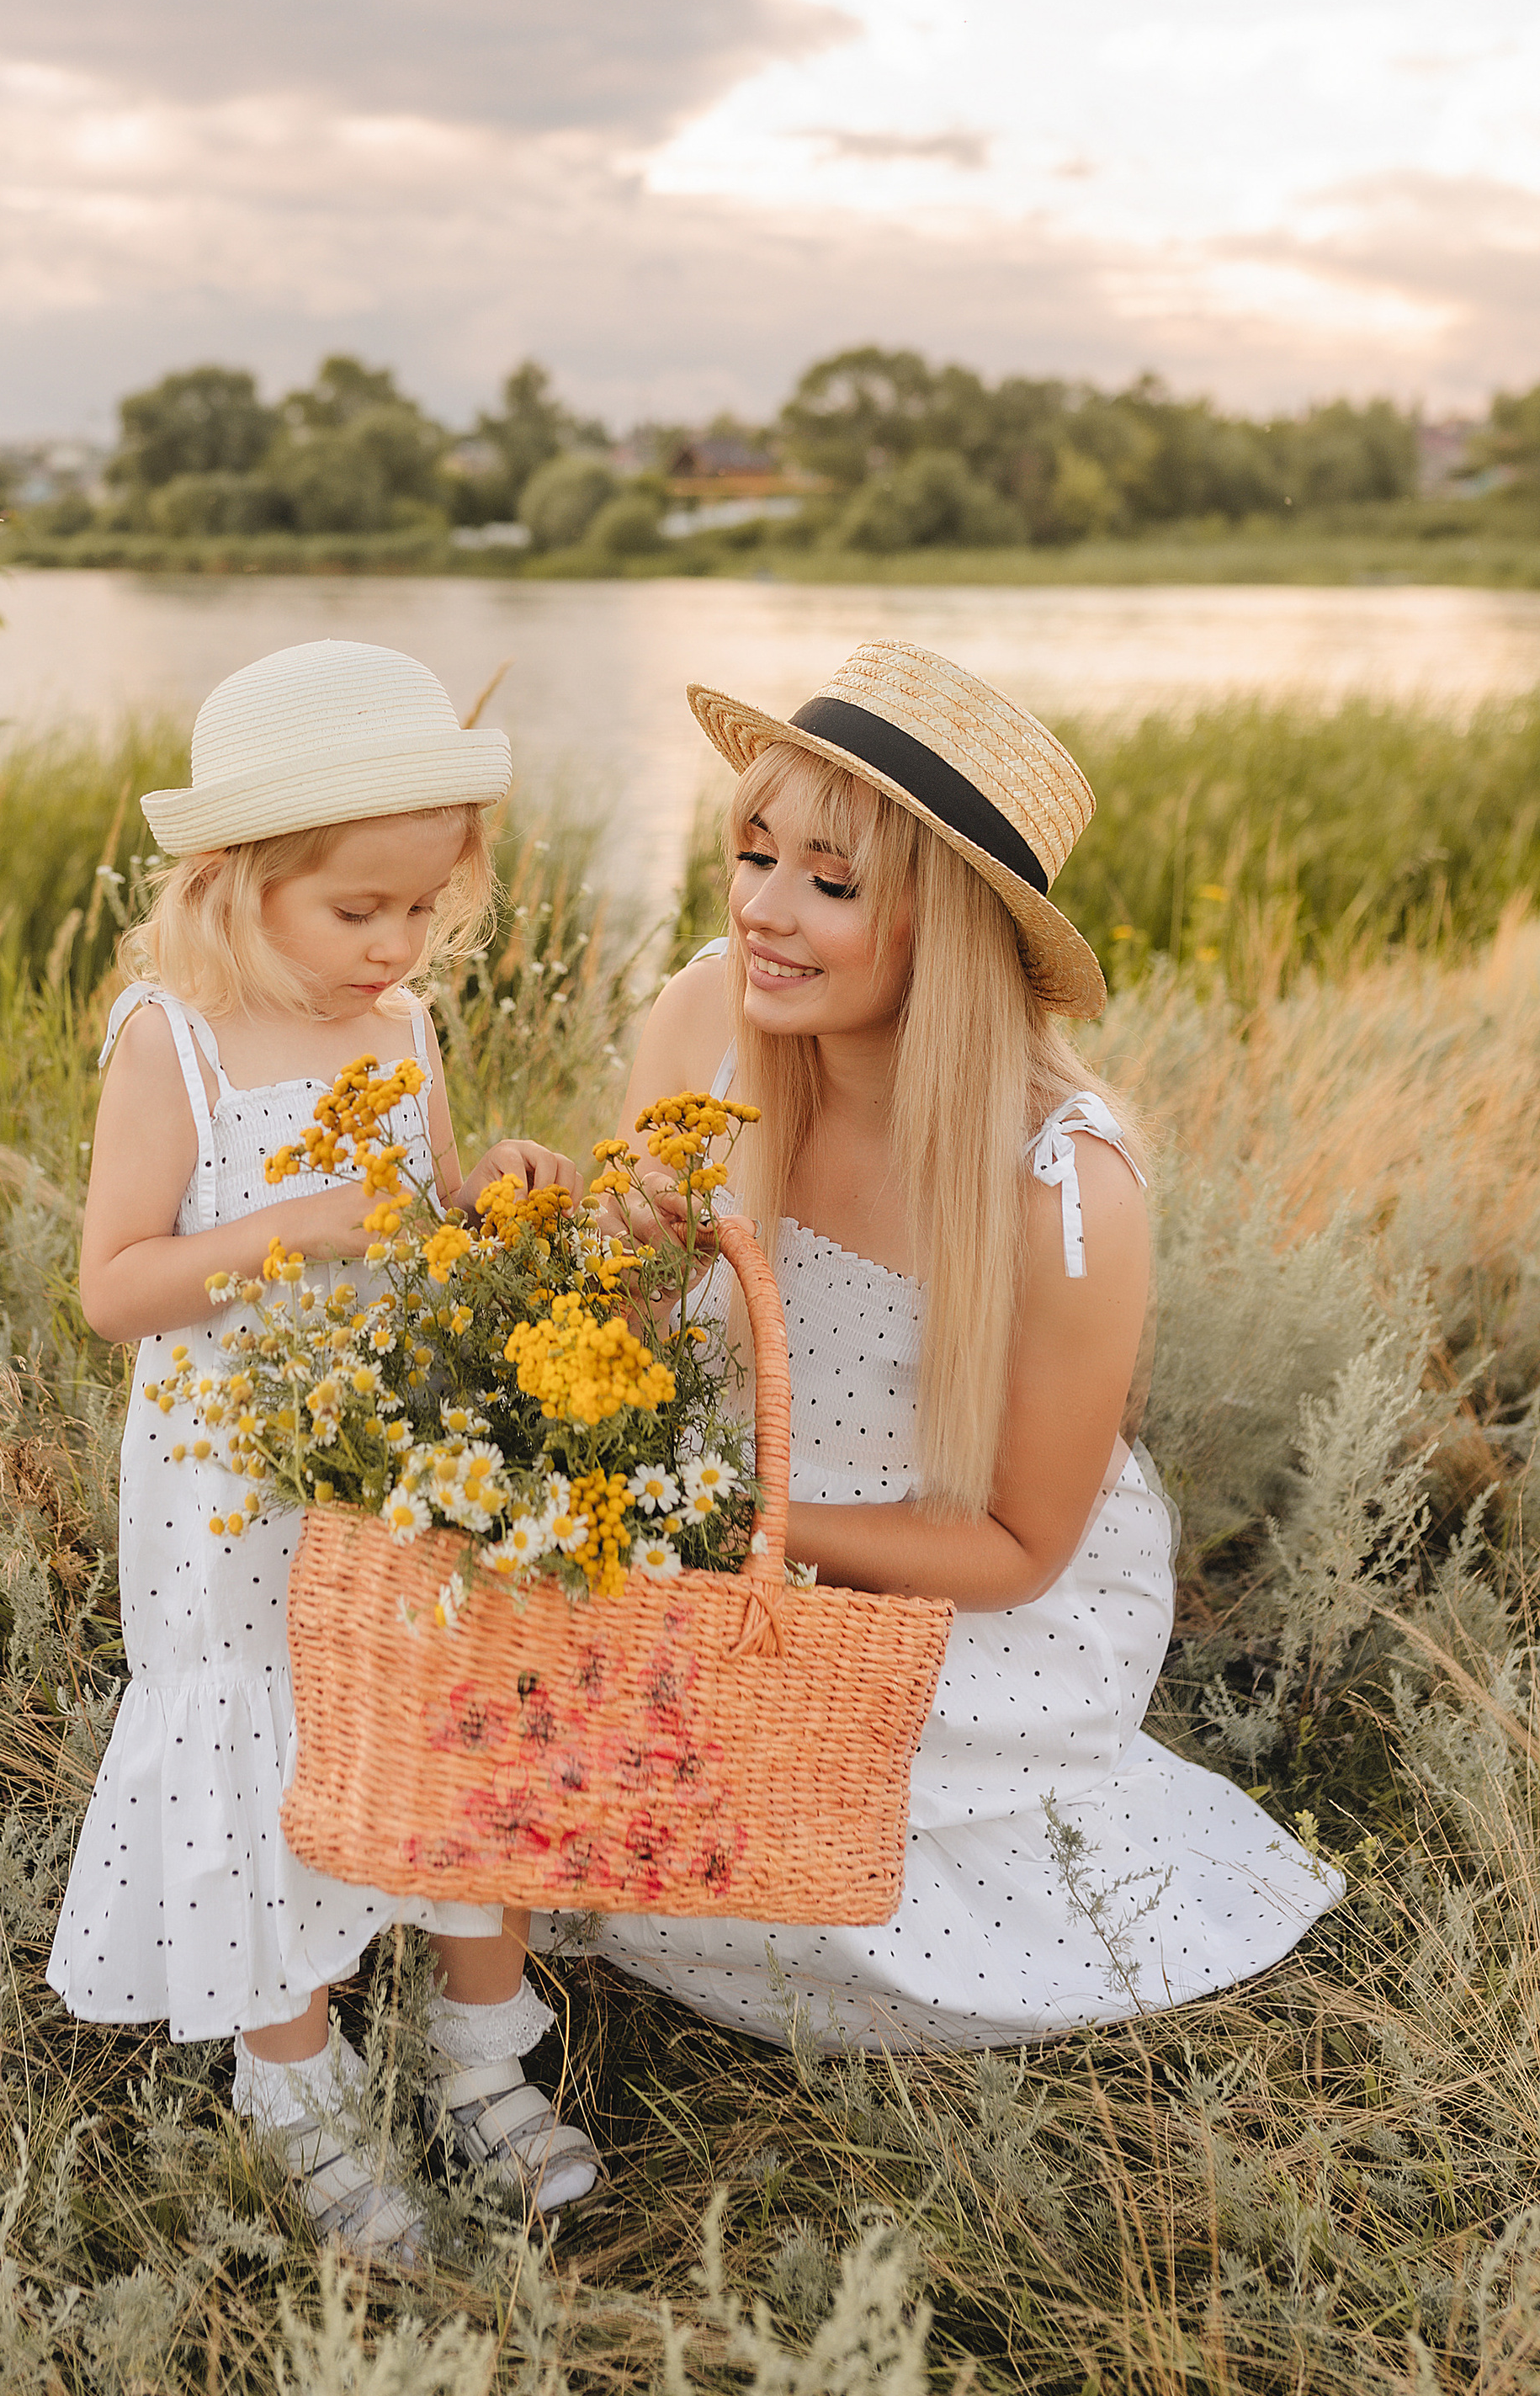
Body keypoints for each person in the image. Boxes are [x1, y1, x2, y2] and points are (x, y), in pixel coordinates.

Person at [550, 640, 1338, 2050]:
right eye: (754, 852)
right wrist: (617, 1256)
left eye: (832, 881)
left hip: (942, 1589)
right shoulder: (700, 1021)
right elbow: (632, 1357)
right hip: (720, 1527)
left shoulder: (1061, 1182)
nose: (766, 912)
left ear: (954, 925)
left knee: (806, 1894)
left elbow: (1019, 1547)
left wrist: (747, 1524)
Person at [46, 639, 596, 2259]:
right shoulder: (177, 1042)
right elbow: (114, 1284)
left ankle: (478, 2061)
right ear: (237, 882)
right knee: (260, 1750)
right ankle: (299, 2086)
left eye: (425, 908)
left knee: (440, 1722)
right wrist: (291, 1224)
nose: (398, 943)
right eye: (360, 911)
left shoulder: (402, 1024)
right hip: (234, 1476)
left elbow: (422, 1229)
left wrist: (487, 1199)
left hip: (390, 1447)